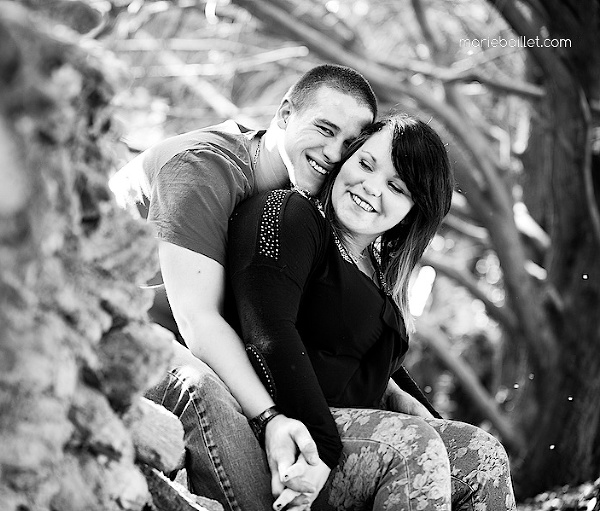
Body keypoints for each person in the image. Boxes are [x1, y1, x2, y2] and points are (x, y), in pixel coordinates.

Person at [110, 64, 413, 510]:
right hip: (101, 328)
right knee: (207, 395)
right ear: (286, 113)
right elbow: (199, 322)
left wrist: (396, 393)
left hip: (165, 340)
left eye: (349, 145)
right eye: (324, 130)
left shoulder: (292, 198)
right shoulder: (202, 168)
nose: (332, 154)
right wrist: (270, 418)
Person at [225, 114, 517, 510]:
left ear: (413, 211)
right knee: (415, 448)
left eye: (396, 187)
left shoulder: (376, 271)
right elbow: (268, 332)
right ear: (346, 159)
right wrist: (323, 444)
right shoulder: (294, 215)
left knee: (481, 453)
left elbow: (375, 362)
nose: (370, 187)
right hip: (292, 431)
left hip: (358, 434)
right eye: (365, 164)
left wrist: (422, 410)